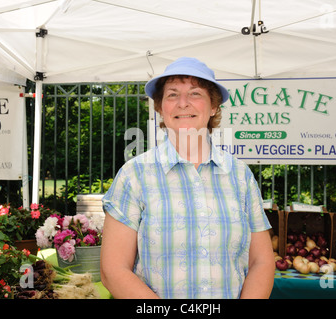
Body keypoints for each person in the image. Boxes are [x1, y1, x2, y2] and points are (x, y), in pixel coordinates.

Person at [100, 57, 275, 299]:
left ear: (213, 106)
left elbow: (262, 262)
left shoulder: (239, 175)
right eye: (172, 95)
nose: (183, 103)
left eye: (195, 94)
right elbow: (113, 270)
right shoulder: (134, 176)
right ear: (161, 108)